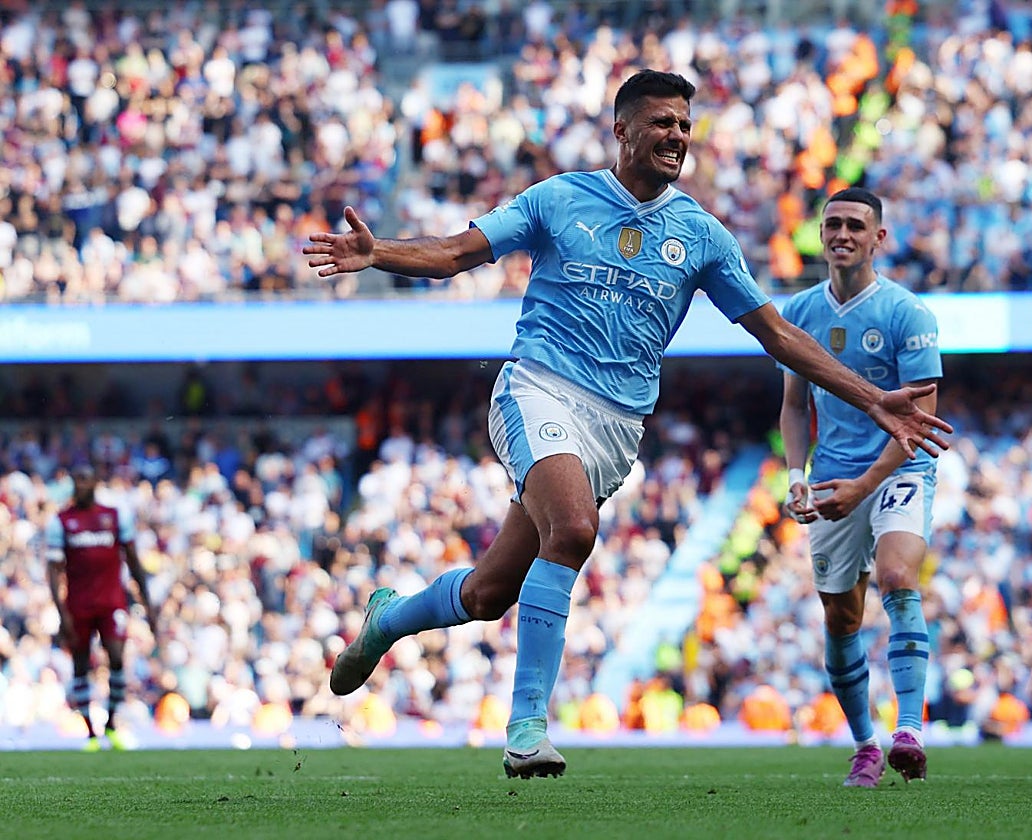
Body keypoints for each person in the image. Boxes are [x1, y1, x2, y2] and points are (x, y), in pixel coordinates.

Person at [305, 70, 952, 779]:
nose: (677, 136)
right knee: (574, 529)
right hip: (538, 387)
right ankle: (527, 729)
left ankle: (390, 618)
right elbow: (458, 252)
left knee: (489, 594)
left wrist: (871, 398)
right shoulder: (559, 198)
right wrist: (379, 253)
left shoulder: (701, 235)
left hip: (617, 425)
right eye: (662, 122)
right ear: (622, 130)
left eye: (684, 125)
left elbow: (776, 334)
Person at [778, 187, 941, 787]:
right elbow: (794, 406)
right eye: (832, 225)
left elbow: (920, 423)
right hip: (831, 474)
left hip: (900, 468)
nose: (842, 234)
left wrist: (865, 485)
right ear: (821, 236)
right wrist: (797, 476)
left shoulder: (907, 314)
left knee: (897, 576)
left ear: (879, 239)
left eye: (854, 225)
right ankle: (865, 745)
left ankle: (909, 731)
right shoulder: (799, 312)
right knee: (841, 617)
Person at [45, 465, 157, 751]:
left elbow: (133, 561)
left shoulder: (115, 516)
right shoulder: (61, 521)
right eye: (77, 480)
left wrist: (147, 604)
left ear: (95, 482)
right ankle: (91, 733)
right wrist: (61, 612)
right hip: (78, 604)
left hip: (111, 602)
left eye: (85, 479)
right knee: (81, 664)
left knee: (117, 657)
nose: (81, 485)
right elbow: (54, 571)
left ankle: (111, 724)